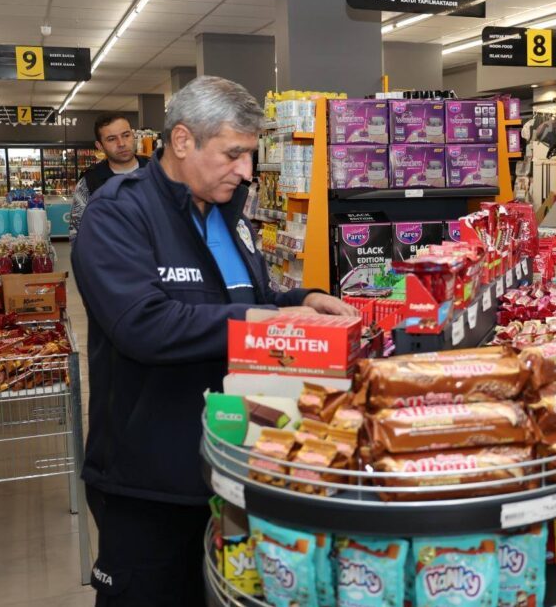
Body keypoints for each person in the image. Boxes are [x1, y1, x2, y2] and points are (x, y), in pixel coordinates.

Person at [71, 76, 358, 606]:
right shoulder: (117, 214)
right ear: (182, 141)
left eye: (251, 155)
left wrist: (303, 300)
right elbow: (143, 325)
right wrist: (266, 319)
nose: (246, 171)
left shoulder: (229, 214)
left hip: (232, 462)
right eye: (233, 154)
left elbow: (248, 296)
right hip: (150, 482)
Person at [68, 112, 149, 246]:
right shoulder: (89, 183)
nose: (121, 143)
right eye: (111, 139)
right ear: (100, 146)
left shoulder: (160, 172)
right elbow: (77, 234)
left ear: (133, 135)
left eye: (126, 135)